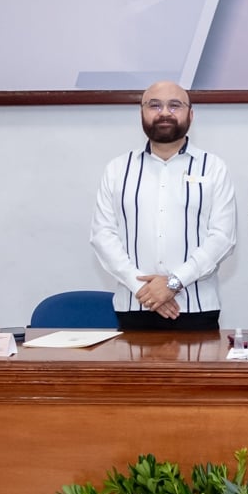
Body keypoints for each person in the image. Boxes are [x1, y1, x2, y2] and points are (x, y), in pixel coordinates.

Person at [90, 81, 236, 331]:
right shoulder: (118, 169)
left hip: (196, 307)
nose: (165, 113)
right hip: (134, 306)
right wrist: (143, 290)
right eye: (154, 105)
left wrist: (173, 283)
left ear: (190, 114)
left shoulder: (213, 168)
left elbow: (222, 238)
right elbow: (103, 236)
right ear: (142, 113)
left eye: (175, 105)